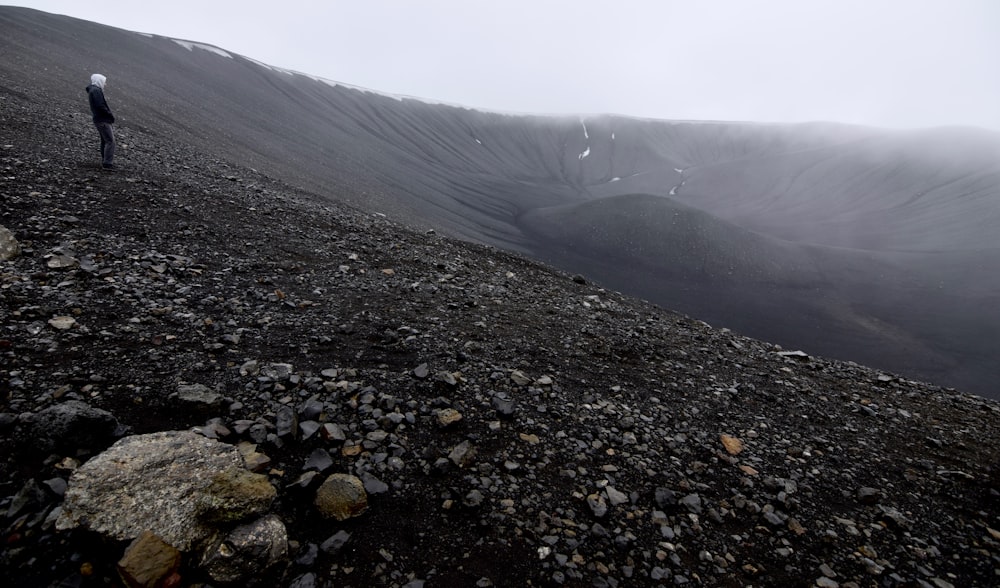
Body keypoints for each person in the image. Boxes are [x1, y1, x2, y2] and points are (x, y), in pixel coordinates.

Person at [85, 73, 116, 169]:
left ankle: (105, 161)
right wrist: (109, 114)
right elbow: (100, 105)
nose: (105, 84)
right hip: (102, 119)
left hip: (99, 119)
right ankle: (107, 163)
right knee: (110, 141)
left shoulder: (93, 90)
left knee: (105, 140)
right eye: (104, 82)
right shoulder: (96, 91)